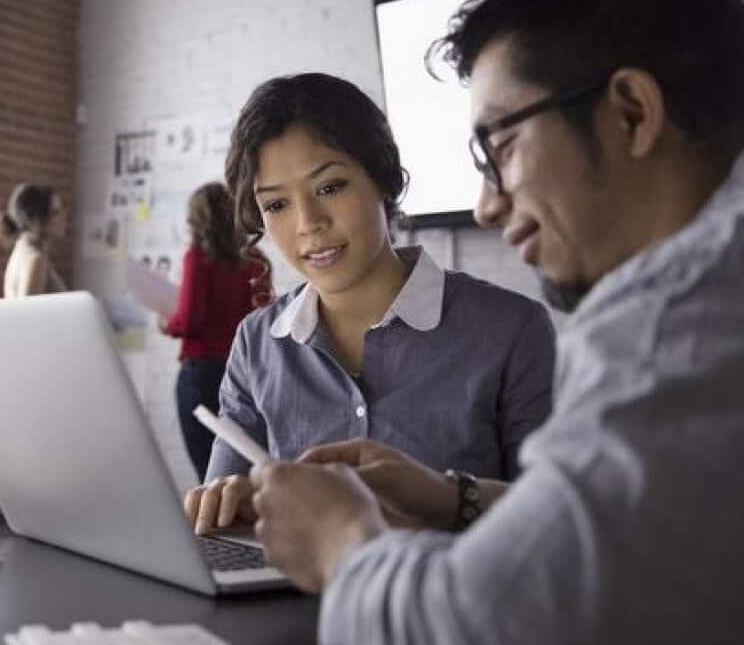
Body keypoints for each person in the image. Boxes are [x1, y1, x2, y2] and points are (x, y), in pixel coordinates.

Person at [249, 0, 744, 642]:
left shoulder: (675, 320)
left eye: (501, 148)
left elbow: (487, 624)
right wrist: (456, 500)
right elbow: (597, 530)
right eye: (275, 205)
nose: (487, 204)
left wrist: (342, 542)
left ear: (633, 111)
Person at [184, 73, 556, 536]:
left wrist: (449, 499)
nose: (308, 223)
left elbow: (558, 520)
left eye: (329, 187)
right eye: (276, 205)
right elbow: (225, 507)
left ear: (381, 178)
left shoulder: (511, 330)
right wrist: (226, 501)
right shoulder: (256, 343)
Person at [160, 182, 272, 481]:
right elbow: (264, 318)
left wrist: (167, 323)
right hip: (246, 376)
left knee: (209, 478)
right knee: (243, 477)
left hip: (202, 373)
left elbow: (190, 321)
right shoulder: (256, 258)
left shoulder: (199, 257)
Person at [0, 183, 69, 298]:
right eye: (56, 212)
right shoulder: (35, 259)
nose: (63, 217)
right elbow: (27, 315)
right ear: (37, 218)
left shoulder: (21, 252)